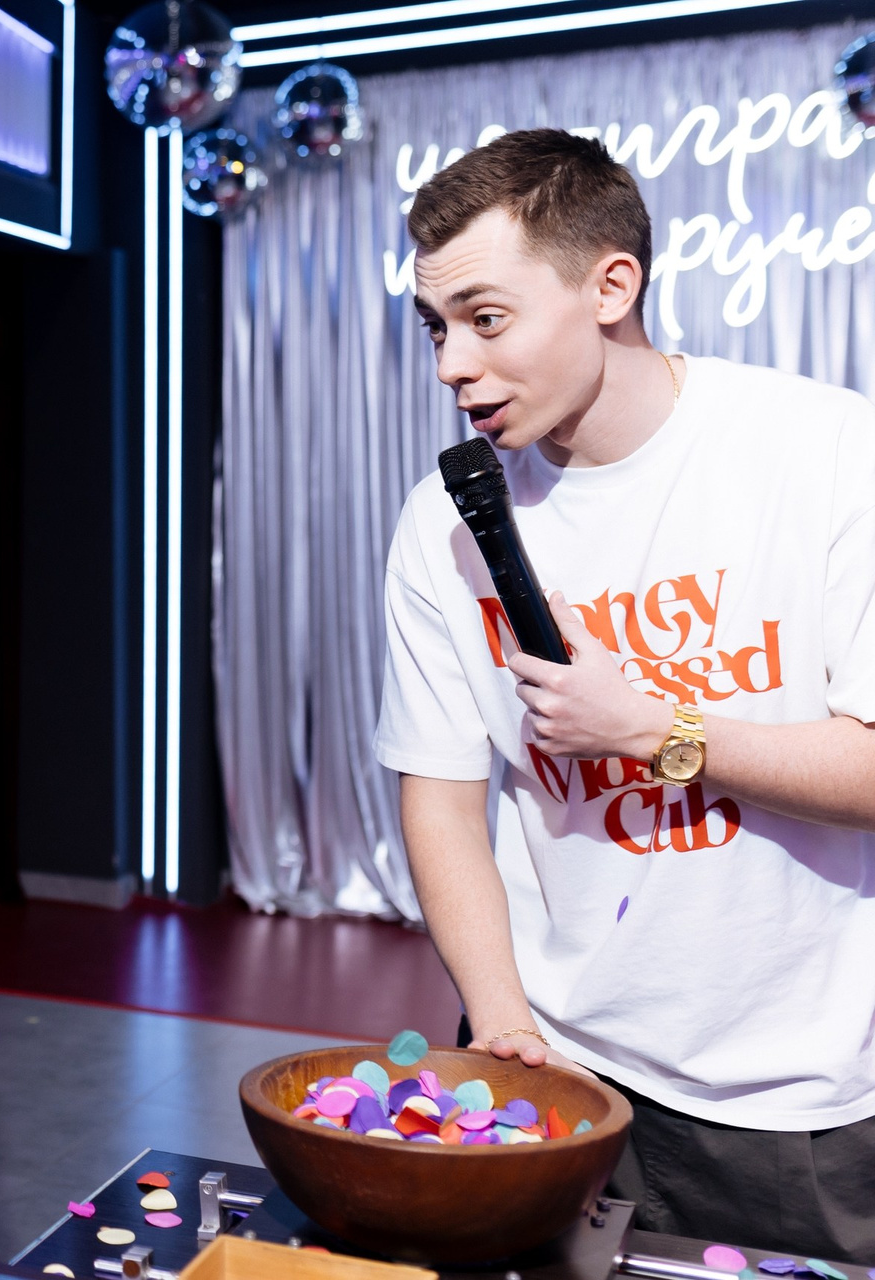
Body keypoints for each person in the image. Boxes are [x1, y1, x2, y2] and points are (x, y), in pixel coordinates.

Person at [375, 129, 875, 1257]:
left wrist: (656, 729)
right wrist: (503, 1020)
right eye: (436, 327)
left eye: (486, 318)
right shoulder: (441, 521)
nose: (452, 364)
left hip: (799, 1095)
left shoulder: (827, 451)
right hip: (557, 1061)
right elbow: (442, 796)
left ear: (612, 286)